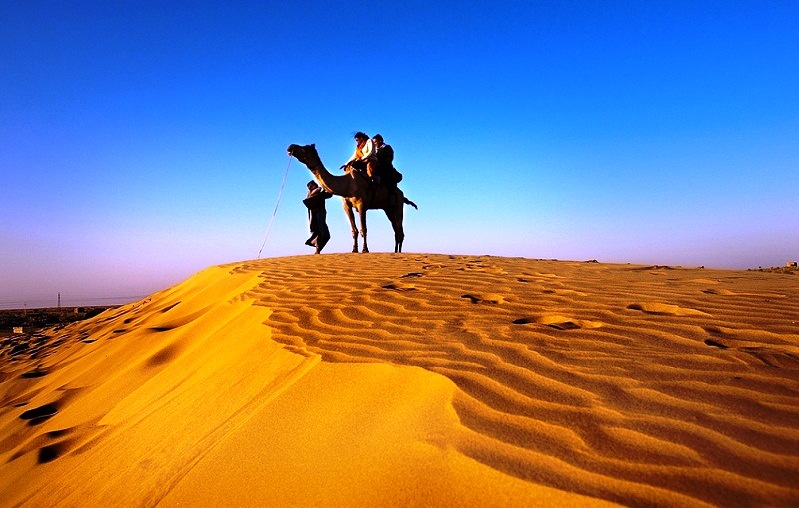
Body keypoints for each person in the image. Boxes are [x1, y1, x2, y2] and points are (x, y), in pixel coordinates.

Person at [303, 180, 332, 254]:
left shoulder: (318, 195)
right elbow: (320, 191)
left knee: (325, 235)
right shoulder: (314, 194)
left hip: (320, 218)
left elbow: (329, 194)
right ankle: (317, 250)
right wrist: (324, 186)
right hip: (317, 219)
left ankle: (318, 250)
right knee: (321, 233)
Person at [373, 134, 402, 199]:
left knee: (390, 180)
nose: (374, 144)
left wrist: (382, 165)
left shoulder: (387, 148)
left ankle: (392, 196)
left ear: (380, 141)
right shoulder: (375, 150)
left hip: (386, 168)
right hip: (377, 167)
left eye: (375, 142)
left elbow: (389, 158)